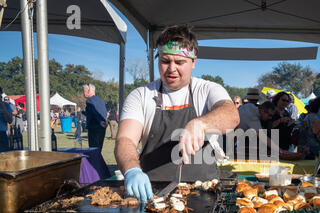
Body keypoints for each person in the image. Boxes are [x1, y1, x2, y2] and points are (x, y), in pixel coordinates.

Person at [115, 24, 240, 202]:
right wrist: (132, 170)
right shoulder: (141, 96)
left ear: (193, 62)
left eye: (180, 62)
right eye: (165, 61)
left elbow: (231, 115)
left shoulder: (207, 89)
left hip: (205, 194)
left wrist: (201, 124)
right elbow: (125, 139)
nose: (171, 68)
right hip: (153, 194)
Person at [83, 83, 108, 152]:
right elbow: (104, 112)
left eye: (84, 91)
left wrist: (100, 121)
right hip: (102, 128)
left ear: (88, 91)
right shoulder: (101, 100)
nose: (83, 93)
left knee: (93, 150)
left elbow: (95, 112)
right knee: (99, 150)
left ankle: (94, 163)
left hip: (94, 128)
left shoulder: (89, 100)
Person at [0, 88, 13, 152]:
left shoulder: (6, 105)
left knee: (4, 156)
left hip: (2, 134)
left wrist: (2, 107)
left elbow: (10, 120)